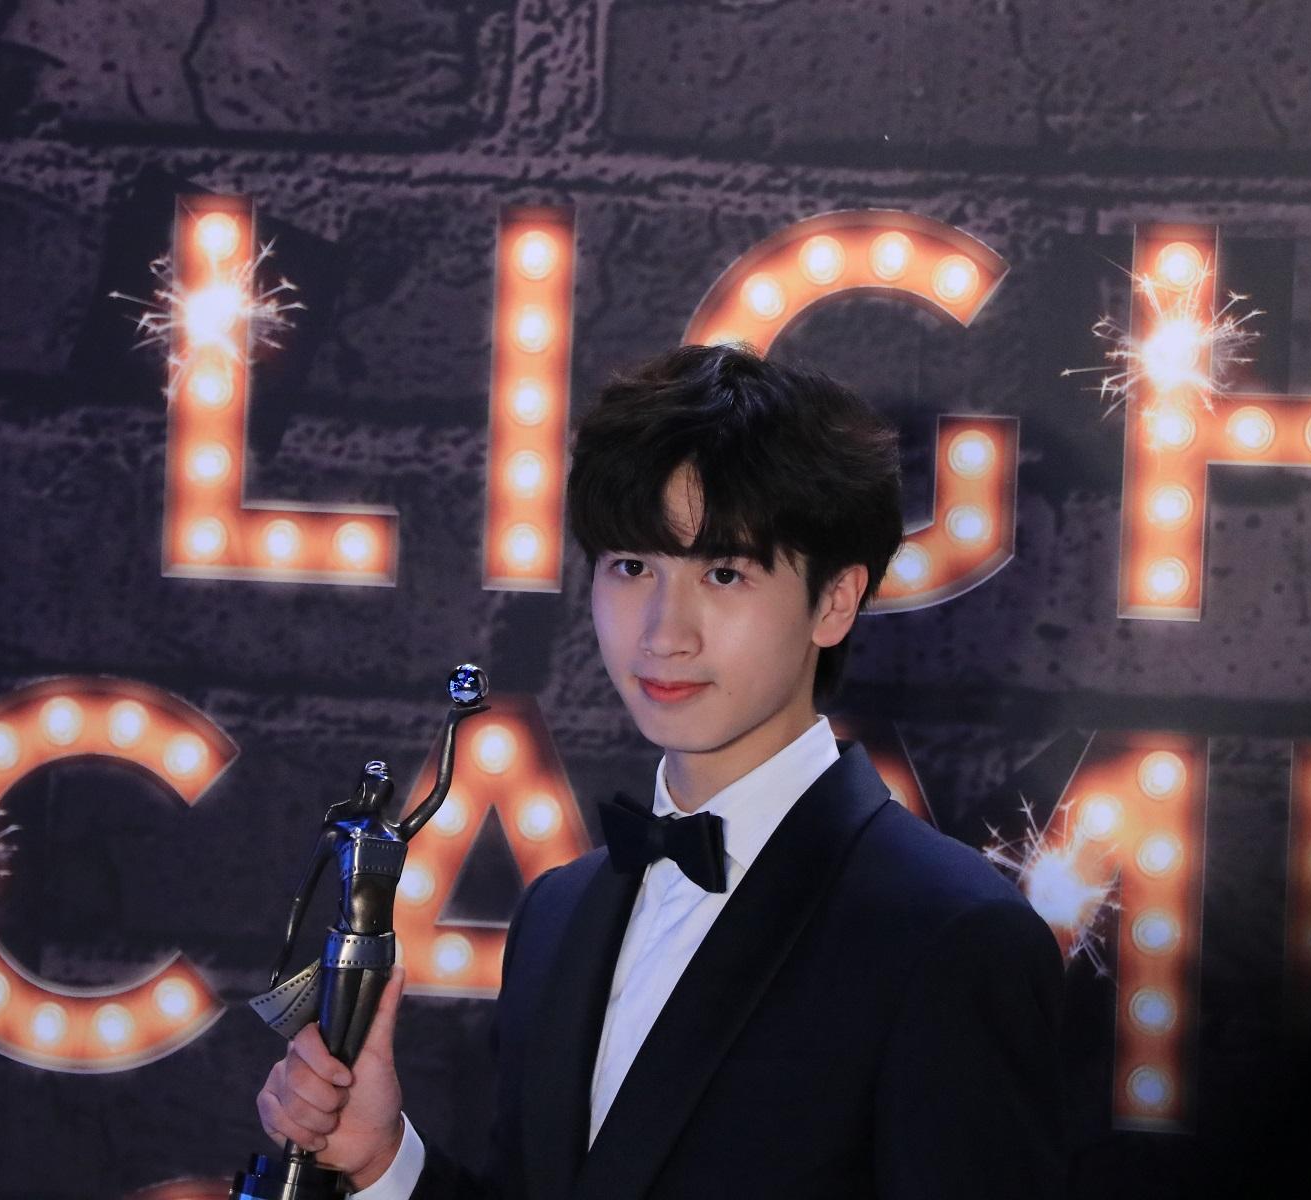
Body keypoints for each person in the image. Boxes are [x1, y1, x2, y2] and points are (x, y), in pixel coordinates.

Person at [255, 343, 1066, 1198]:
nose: (662, 632)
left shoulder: (950, 936)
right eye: (633, 567)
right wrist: (385, 1161)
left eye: (725, 573)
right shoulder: (558, 914)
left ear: (834, 601)